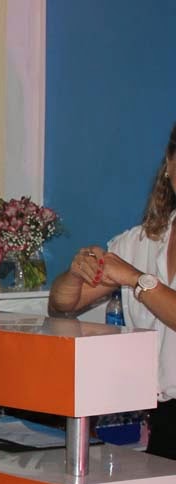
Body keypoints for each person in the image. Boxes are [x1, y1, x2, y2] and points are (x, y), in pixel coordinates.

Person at [49, 122, 176, 460]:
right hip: (164, 418)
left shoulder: (133, 264)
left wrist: (136, 279)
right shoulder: (140, 241)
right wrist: (75, 273)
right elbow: (62, 306)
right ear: (169, 163)